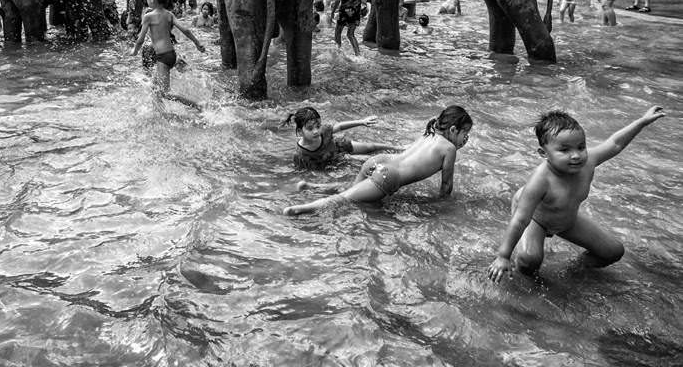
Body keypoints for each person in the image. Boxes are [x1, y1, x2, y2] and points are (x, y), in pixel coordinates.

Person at [487, 106, 665, 282]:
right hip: (536, 218)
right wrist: (503, 256)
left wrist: (642, 122)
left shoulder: (588, 162)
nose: (576, 155)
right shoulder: (541, 180)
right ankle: (524, 281)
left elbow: (615, 144)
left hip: (565, 218)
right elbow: (520, 219)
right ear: (543, 153)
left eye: (581, 147)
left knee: (613, 251)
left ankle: (573, 271)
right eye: (564, 150)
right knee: (529, 260)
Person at [283, 106, 473, 216]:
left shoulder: (429, 134)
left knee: (353, 191)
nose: (466, 138)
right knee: (346, 200)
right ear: (454, 130)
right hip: (387, 176)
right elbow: (446, 188)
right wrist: (441, 209)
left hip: (379, 161)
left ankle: (312, 186)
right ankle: (301, 209)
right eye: (465, 133)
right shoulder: (448, 149)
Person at [132, 0, 206, 106]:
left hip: (163, 57)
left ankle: (197, 105)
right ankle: (160, 113)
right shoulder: (169, 14)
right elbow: (186, 30)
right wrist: (198, 44)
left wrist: (134, 51)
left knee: (164, 93)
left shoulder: (148, 16)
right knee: (154, 87)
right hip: (171, 54)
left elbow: (140, 39)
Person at [283, 106, 400, 171]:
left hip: (338, 146)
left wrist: (361, 122)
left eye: (318, 126)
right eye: (310, 128)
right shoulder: (300, 154)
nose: (316, 131)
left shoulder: (323, 131)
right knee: (362, 161)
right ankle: (394, 160)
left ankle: (397, 148)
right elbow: (304, 171)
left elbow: (339, 126)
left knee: (371, 147)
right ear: (299, 132)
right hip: (326, 161)